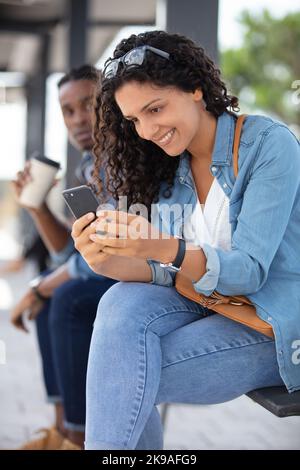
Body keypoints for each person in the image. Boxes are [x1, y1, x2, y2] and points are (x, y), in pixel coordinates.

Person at [71, 30, 300, 450]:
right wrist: (102, 261)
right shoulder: (169, 166)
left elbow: (248, 272)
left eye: (155, 109)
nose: (147, 130)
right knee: (118, 302)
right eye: (135, 120)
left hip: (274, 323)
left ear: (196, 88)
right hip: (210, 303)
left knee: (122, 380)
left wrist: (162, 245)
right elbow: (163, 271)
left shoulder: (269, 146)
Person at [10, 65, 116, 450]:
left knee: (64, 298)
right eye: (68, 111)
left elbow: (108, 252)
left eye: (88, 104)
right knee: (53, 296)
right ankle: (60, 431)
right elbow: (71, 253)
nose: (78, 120)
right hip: (108, 269)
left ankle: (78, 438)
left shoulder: (123, 160)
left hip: (139, 274)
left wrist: (43, 286)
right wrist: (36, 207)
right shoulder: (87, 166)